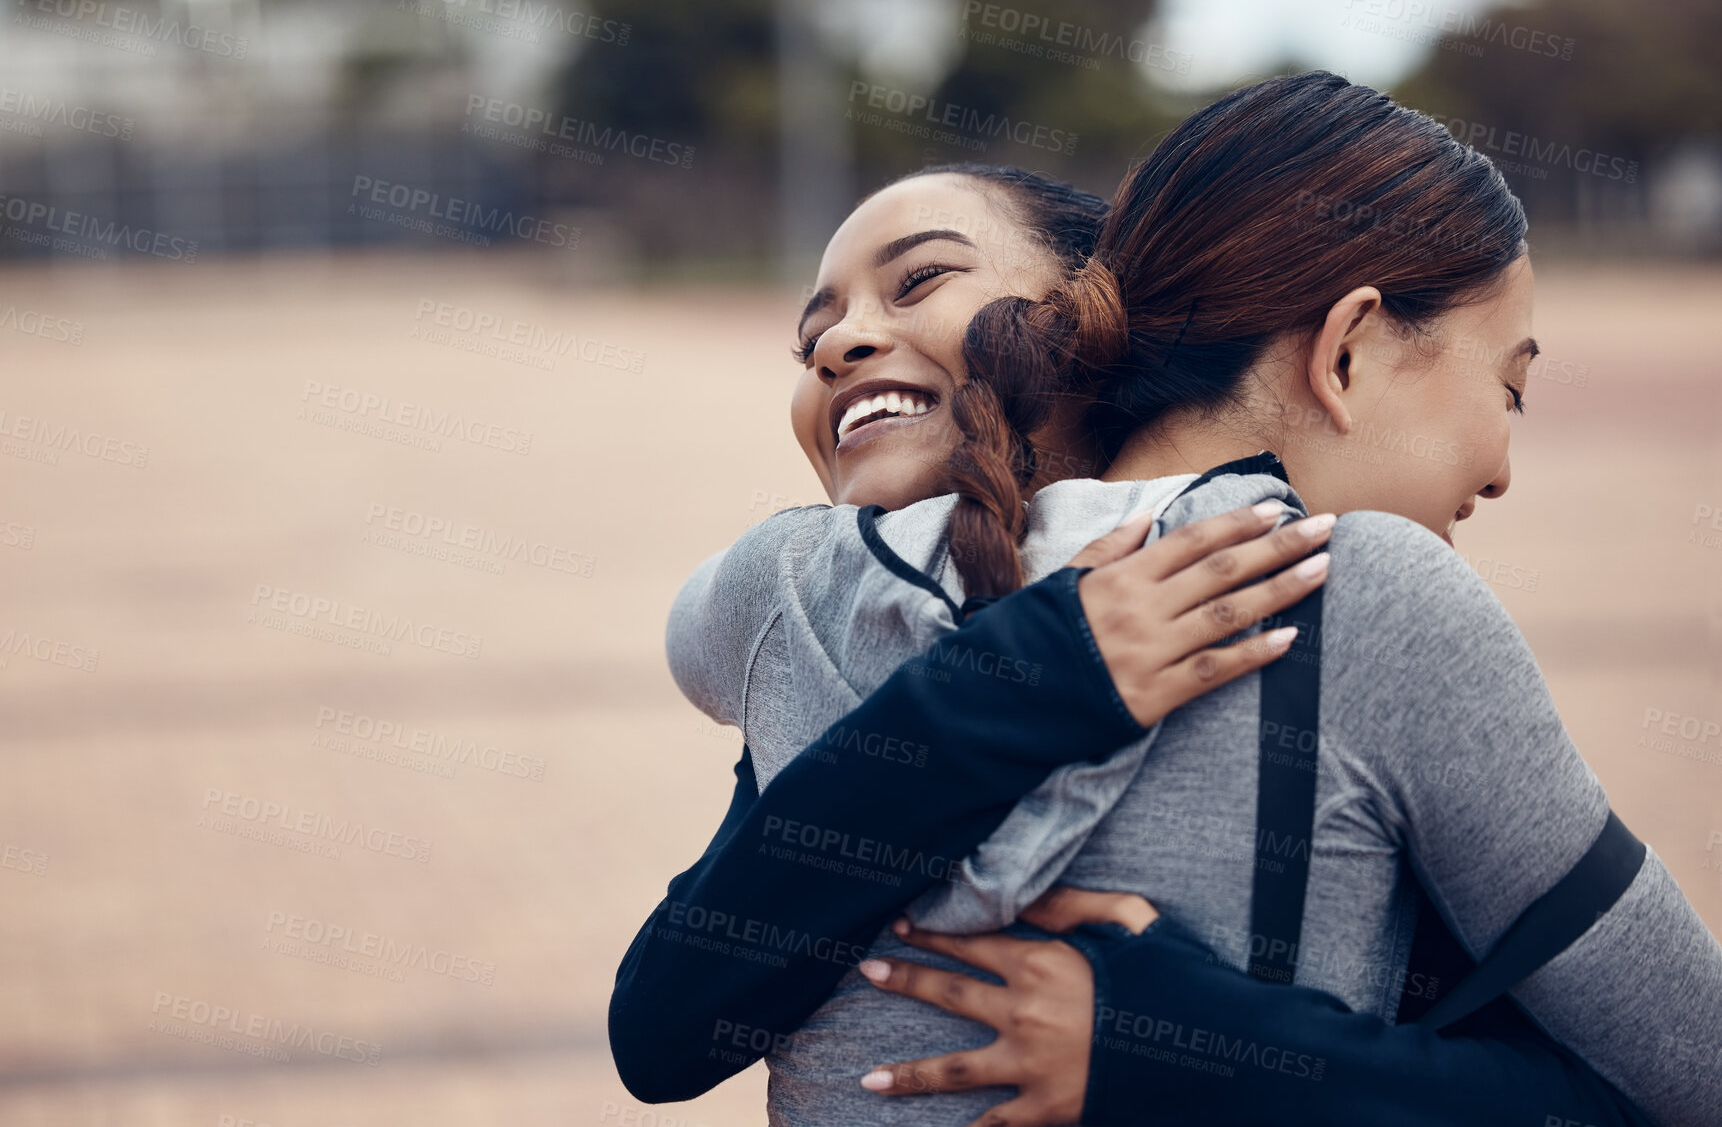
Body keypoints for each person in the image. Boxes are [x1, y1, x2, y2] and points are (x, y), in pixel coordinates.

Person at [618, 74, 1722, 1125]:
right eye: (1511, 388)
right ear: (1344, 353)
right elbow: (1695, 1074)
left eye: (919, 282)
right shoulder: (1370, 593)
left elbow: (666, 1026)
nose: (1501, 470)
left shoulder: (813, 602)